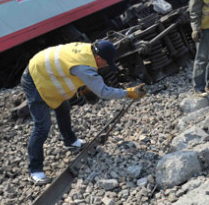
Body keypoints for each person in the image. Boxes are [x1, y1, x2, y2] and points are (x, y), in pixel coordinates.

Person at [20, 40, 146, 184]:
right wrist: (128, 93)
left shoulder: (87, 50)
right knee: (42, 126)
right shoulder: (84, 66)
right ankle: (35, 170)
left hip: (46, 73)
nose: (105, 66)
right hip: (35, 78)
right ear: (98, 58)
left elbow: (68, 68)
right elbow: (103, 92)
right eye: (105, 62)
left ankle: (70, 141)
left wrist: (83, 86)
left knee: (63, 107)